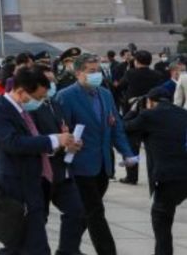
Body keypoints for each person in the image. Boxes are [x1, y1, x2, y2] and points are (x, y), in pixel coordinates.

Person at [0, 65, 79, 254]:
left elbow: (33, 143)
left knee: (20, 246)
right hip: (15, 187)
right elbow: (13, 143)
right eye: (39, 97)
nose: (42, 101)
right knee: (31, 247)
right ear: (21, 92)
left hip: (32, 184)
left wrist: (59, 144)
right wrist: (53, 139)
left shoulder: (22, 110)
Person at [55, 52, 138, 255]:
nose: (96, 75)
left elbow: (115, 126)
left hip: (103, 163)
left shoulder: (105, 94)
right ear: (78, 73)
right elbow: (60, 130)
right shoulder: (65, 97)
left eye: (98, 71)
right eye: (91, 71)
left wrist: (127, 154)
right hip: (80, 164)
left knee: (86, 212)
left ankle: (67, 249)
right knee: (95, 212)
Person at [31, 67, 88, 255]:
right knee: (38, 221)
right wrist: (59, 144)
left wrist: (73, 141)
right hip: (42, 173)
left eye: (53, 80)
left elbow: (64, 129)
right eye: (47, 81)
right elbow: (34, 140)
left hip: (63, 171)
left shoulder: (55, 104)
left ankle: (67, 251)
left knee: (77, 212)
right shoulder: (31, 108)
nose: (51, 85)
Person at [124, 86, 187, 255]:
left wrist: (133, 110)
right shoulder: (183, 114)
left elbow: (126, 127)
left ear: (150, 101)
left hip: (167, 177)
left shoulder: (148, 115)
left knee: (161, 220)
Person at [118, 50, 165, 185]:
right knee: (154, 147)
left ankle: (131, 176)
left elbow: (120, 86)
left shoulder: (130, 73)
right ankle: (157, 176)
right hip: (153, 113)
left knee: (131, 146)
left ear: (136, 61)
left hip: (133, 113)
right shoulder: (157, 75)